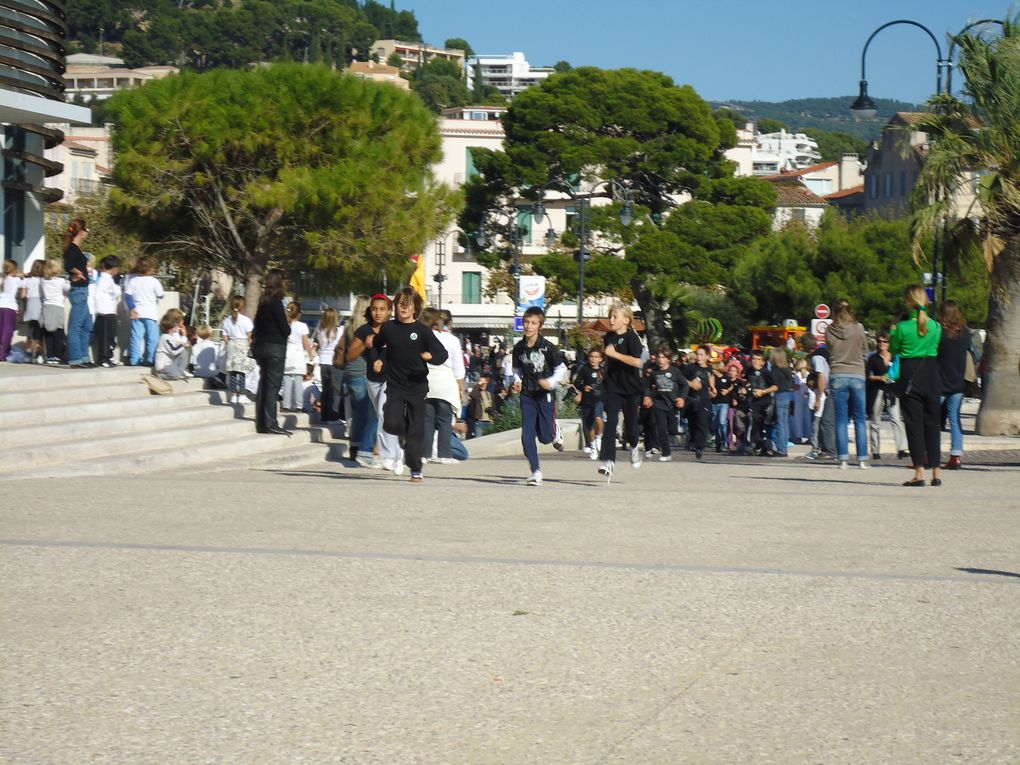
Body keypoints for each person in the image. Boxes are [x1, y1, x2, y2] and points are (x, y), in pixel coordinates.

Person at [356, 287, 448, 481]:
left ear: (415, 308)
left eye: (407, 304)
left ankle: (415, 468)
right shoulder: (388, 328)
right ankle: (402, 437)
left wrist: (430, 356)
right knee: (390, 422)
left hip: (417, 387)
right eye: (400, 304)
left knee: (416, 431)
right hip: (395, 385)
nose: (403, 307)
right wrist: (377, 359)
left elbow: (442, 354)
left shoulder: (422, 332)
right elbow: (376, 344)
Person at [890, 284, 943, 487]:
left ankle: (920, 472)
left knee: (914, 427)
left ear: (908, 302)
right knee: (933, 426)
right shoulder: (936, 326)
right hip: (932, 376)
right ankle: (937, 473)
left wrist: (894, 333)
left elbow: (895, 350)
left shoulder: (902, 328)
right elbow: (936, 346)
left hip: (911, 376)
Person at [509, 307, 566, 485]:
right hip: (527, 394)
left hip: (545, 394)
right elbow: (516, 369)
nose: (528, 326)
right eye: (526, 322)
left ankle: (555, 431)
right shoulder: (519, 348)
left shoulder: (548, 347)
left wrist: (550, 382)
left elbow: (561, 368)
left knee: (545, 438)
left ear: (540, 326)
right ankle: (536, 472)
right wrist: (517, 381)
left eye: (533, 323)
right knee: (527, 436)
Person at [598, 301, 646, 480]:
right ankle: (608, 462)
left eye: (614, 317)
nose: (610, 320)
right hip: (612, 387)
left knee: (631, 429)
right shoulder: (608, 337)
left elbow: (637, 361)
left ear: (626, 320)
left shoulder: (633, 337)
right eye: (610, 316)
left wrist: (615, 355)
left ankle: (634, 447)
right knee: (610, 424)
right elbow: (609, 359)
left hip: (631, 389)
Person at [347, 294, 393, 470]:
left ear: (389, 311)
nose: (378, 313)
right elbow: (350, 356)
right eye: (374, 309)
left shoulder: (395, 329)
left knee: (382, 415)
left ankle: (379, 453)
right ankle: (366, 452)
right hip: (373, 380)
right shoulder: (364, 330)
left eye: (382, 309)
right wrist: (365, 345)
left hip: (392, 379)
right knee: (378, 415)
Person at [825, 299, 870, 469]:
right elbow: (865, 349)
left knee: (841, 419)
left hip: (837, 373)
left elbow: (830, 350)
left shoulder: (830, 330)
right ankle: (862, 459)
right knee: (859, 418)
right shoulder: (859, 328)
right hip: (857, 373)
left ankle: (843, 458)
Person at [420, 307, 466, 465]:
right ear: (450, 322)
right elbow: (458, 368)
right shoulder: (453, 340)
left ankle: (424, 454)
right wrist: (461, 389)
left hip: (427, 379)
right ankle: (444, 454)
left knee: (427, 420)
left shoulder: (425, 336)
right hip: (446, 380)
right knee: (444, 420)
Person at [251, 269, 291, 436]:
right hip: (275, 347)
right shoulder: (276, 303)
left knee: (263, 384)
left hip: (261, 347)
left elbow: (257, 326)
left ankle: (262, 422)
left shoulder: (263, 302)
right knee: (272, 386)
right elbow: (285, 329)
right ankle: (270, 423)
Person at [937, 300, 976, 470]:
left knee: (932, 419)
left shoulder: (940, 332)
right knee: (954, 419)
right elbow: (973, 353)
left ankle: (928, 454)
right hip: (958, 381)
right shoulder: (965, 333)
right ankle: (956, 456)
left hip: (939, 380)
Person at [341, 297, 377, 462]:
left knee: (357, 414)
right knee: (366, 414)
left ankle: (355, 448)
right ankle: (360, 448)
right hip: (363, 372)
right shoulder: (367, 329)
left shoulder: (348, 327)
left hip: (349, 372)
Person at [866, 331, 909, 460]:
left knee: (896, 419)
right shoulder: (873, 358)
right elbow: (868, 375)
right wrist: (880, 378)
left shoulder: (895, 357)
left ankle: (902, 448)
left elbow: (900, 373)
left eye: (884, 341)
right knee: (875, 421)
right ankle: (875, 450)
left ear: (889, 343)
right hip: (877, 390)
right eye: (879, 341)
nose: (881, 344)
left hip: (892, 391)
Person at [643, 346, 687, 462]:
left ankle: (668, 441)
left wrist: (681, 398)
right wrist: (647, 396)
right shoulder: (654, 373)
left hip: (672, 404)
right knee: (661, 428)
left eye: (663, 357)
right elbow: (648, 386)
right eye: (659, 357)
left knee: (672, 430)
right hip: (659, 403)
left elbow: (685, 385)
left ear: (668, 359)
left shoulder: (675, 371)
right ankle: (666, 453)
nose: (660, 360)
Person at [800, 334, 836, 462]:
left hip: (829, 391)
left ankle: (830, 451)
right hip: (832, 389)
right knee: (826, 422)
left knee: (826, 422)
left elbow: (822, 377)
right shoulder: (823, 353)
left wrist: (818, 398)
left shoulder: (817, 357)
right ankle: (827, 450)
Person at [124, 256, 165, 367]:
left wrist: (132, 308)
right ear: (150, 268)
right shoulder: (154, 281)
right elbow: (161, 295)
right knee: (152, 338)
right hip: (150, 314)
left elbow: (127, 296)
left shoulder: (133, 281)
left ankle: (134, 359)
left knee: (136, 337)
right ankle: (149, 359)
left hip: (137, 312)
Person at [572, 347, 606, 459]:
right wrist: (583, 387)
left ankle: (599, 437)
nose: (593, 359)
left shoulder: (603, 370)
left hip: (599, 399)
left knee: (598, 418)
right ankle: (592, 447)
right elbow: (576, 382)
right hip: (587, 400)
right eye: (591, 357)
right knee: (589, 425)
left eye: (596, 357)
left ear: (600, 359)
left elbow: (609, 384)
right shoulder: (584, 369)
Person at [221, 296, 254, 405]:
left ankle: (234, 395)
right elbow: (250, 336)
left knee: (233, 372)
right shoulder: (246, 320)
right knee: (242, 372)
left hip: (232, 345)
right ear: (243, 307)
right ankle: (242, 394)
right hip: (243, 345)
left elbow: (224, 336)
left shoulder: (226, 321)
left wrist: (229, 344)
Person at [683, 346, 714, 460]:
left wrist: (713, 388)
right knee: (693, 423)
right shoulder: (690, 367)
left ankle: (700, 447)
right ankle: (692, 440)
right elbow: (681, 379)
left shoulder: (709, 368)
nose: (699, 357)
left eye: (702, 355)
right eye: (698, 354)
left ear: (707, 356)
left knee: (703, 422)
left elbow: (711, 377)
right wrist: (691, 384)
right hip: (692, 399)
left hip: (704, 399)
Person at [744, 349, 776, 456]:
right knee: (752, 420)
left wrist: (763, 392)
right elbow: (746, 382)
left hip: (764, 401)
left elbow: (775, 387)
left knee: (762, 424)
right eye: (753, 359)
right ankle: (753, 444)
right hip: (752, 401)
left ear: (763, 362)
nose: (755, 361)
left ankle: (763, 445)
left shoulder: (766, 372)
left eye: (758, 359)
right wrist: (744, 388)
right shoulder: (748, 370)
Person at [313, 307, 343, 423]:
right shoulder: (339, 331)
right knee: (336, 391)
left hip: (323, 362)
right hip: (334, 362)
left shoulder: (320, 331)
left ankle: (324, 415)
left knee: (326, 390)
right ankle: (334, 414)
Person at [282, 301, 312, 412]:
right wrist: (310, 353)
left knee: (287, 381)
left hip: (287, 353)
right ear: (299, 313)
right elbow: (306, 342)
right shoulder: (302, 326)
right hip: (298, 354)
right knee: (298, 382)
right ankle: (299, 405)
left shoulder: (286, 324)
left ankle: (286, 404)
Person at [92, 256, 121, 367]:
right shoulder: (103, 279)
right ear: (114, 269)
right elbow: (97, 295)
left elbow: (114, 293)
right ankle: (103, 358)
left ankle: (109, 356)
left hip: (111, 312)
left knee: (111, 337)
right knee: (104, 337)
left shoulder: (109, 279)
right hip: (104, 313)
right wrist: (99, 310)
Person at [40, 258, 67, 363]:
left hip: (47, 307)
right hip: (58, 307)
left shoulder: (43, 281)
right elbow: (68, 288)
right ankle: (57, 355)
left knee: (48, 333)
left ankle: (49, 355)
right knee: (58, 333)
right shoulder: (61, 281)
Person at [153, 309, 192, 380]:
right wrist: (183, 341)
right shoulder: (165, 338)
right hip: (163, 366)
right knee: (176, 375)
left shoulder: (171, 337)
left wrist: (183, 342)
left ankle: (180, 372)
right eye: (176, 326)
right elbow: (173, 350)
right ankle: (160, 376)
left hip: (170, 364)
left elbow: (178, 346)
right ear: (171, 328)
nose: (178, 327)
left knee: (184, 353)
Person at [769, 347, 794, 457]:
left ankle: (781, 448)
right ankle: (784, 446)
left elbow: (775, 385)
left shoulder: (775, 370)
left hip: (779, 395)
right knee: (784, 422)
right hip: (787, 395)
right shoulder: (787, 369)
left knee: (780, 423)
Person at [0, 259, 23, 361]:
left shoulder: (3, 279)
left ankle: (3, 351)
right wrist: (22, 275)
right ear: (14, 269)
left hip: (1, 306)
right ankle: (3, 354)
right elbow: (24, 284)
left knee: (1, 330)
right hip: (10, 308)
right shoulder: (16, 280)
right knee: (8, 331)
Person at [711, 361, 734, 453]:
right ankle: (718, 443)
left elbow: (731, 385)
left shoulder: (726, 377)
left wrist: (727, 391)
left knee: (722, 422)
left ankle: (724, 441)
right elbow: (710, 386)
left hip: (724, 402)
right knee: (715, 425)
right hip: (714, 402)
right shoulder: (712, 378)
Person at [467, 372, 495, 438]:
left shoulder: (489, 394)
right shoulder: (477, 393)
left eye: (484, 383)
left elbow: (493, 406)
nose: (483, 385)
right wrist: (478, 385)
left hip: (489, 421)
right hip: (480, 421)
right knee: (478, 439)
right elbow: (472, 395)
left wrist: (492, 411)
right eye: (482, 383)